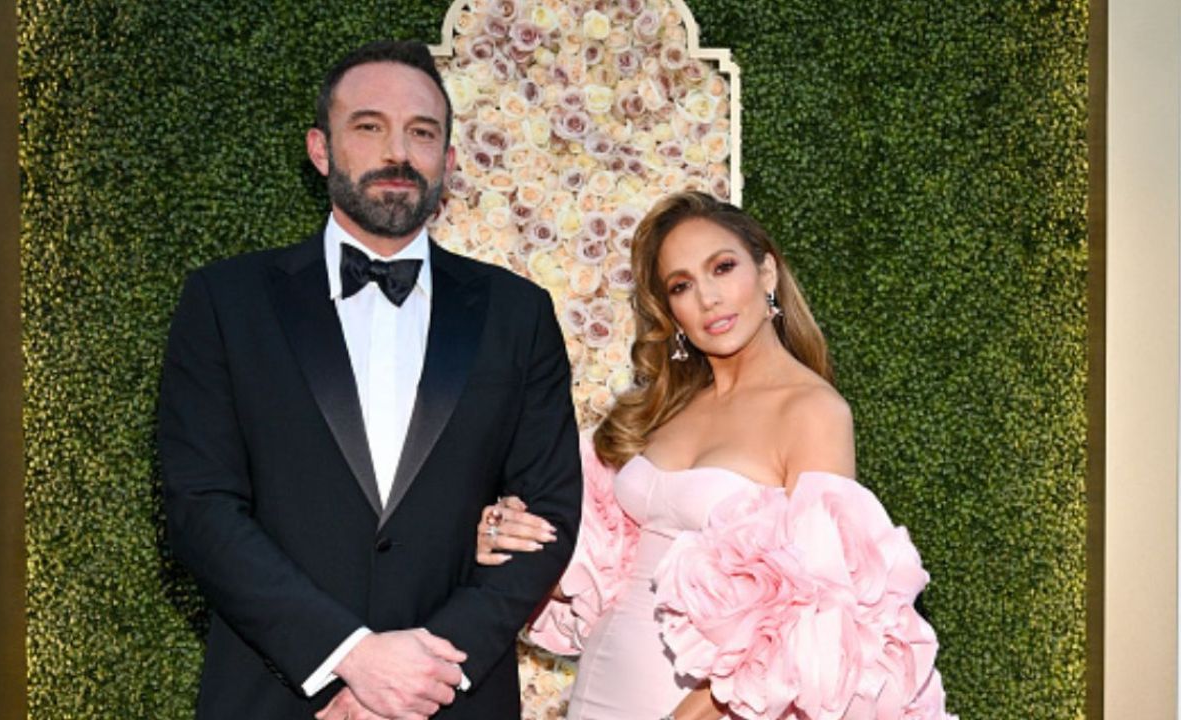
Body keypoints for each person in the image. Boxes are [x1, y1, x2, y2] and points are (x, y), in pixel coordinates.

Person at [158, 40, 581, 720]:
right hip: (275, 696)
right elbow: (201, 509)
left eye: (422, 132)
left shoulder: (517, 313)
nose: (398, 152)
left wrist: (420, 672)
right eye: (368, 126)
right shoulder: (225, 302)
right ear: (321, 149)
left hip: (452, 699)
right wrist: (349, 657)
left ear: (447, 161)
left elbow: (549, 516)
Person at [478, 191, 953, 719]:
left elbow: (819, 615)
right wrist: (508, 531)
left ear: (767, 272)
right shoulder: (661, 406)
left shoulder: (812, 411)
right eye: (682, 285)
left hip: (704, 707)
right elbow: (596, 554)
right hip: (602, 682)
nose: (707, 298)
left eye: (722, 267)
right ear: (671, 310)